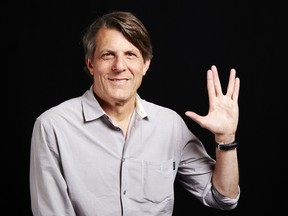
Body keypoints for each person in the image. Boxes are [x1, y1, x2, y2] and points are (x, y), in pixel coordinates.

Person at [29, 11, 240, 216]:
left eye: (130, 55)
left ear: (145, 64)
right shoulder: (53, 126)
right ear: (91, 64)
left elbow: (223, 198)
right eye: (108, 55)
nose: (119, 66)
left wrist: (225, 138)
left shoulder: (170, 125)